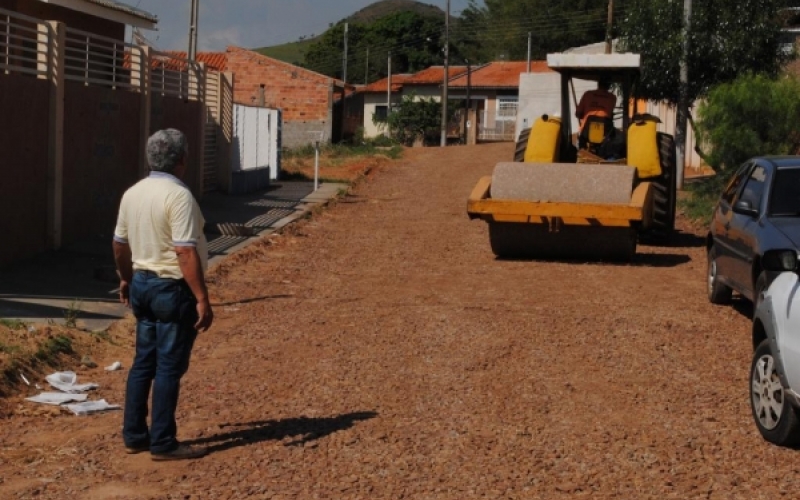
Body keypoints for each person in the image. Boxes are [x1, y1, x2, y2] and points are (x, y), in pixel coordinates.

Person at [113, 129, 213, 461]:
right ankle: (164, 442)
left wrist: (126, 278)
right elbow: (185, 251)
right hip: (172, 289)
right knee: (169, 367)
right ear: (182, 159)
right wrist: (201, 296)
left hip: (141, 283)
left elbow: (119, 244)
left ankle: (134, 435)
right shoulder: (179, 196)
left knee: (143, 363)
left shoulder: (133, 193)